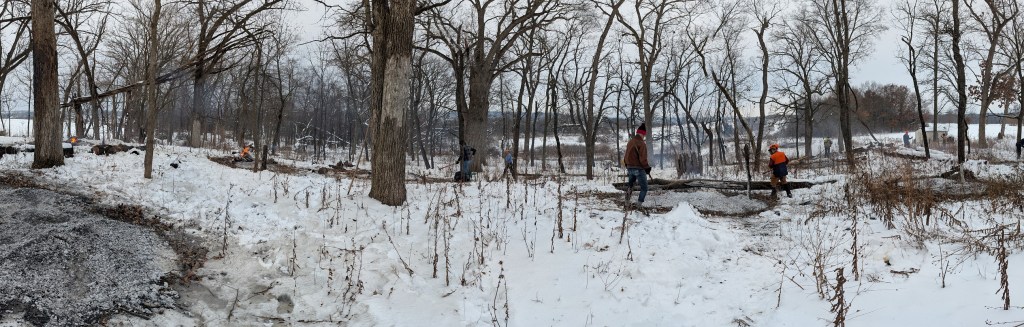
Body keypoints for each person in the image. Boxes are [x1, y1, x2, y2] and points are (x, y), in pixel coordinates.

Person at [623, 123, 652, 208]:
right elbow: (643, 159)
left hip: (629, 167)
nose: (644, 137)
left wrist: (627, 165)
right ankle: (639, 205)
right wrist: (647, 168)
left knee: (630, 186)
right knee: (644, 188)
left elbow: (626, 156)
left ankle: (626, 202)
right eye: (644, 135)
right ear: (643, 133)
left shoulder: (630, 142)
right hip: (639, 168)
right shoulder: (641, 143)